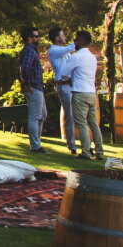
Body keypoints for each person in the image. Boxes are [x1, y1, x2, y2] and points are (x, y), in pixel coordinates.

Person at [59, 30, 104, 160]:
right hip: (91, 93)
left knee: (81, 123)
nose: (75, 42)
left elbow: (64, 73)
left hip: (80, 92)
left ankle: (86, 151)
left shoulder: (76, 56)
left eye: (76, 40)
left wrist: (67, 78)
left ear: (82, 41)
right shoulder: (92, 57)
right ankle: (99, 151)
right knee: (93, 123)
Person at [17, 26, 47, 153]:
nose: (38, 38)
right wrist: (27, 84)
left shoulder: (31, 51)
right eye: (36, 36)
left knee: (42, 115)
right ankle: (35, 145)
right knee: (35, 116)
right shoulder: (29, 51)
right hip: (34, 87)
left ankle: (37, 143)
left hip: (37, 87)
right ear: (29, 38)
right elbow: (25, 68)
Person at [47, 26, 77, 155]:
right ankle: (72, 145)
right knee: (69, 115)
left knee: (76, 115)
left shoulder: (64, 52)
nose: (65, 37)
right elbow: (69, 47)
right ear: (57, 38)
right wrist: (79, 42)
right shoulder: (54, 50)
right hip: (63, 85)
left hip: (72, 85)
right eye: (63, 35)